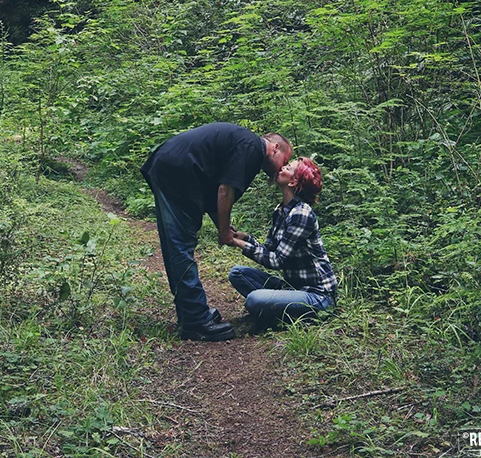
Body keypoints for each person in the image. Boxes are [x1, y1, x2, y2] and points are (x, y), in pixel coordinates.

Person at [141, 122, 292, 341]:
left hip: (173, 167)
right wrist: (223, 233)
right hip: (177, 171)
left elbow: (215, 191)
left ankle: (190, 314)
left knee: (179, 246)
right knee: (180, 246)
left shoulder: (246, 145)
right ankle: (196, 321)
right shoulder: (251, 147)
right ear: (275, 148)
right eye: (285, 161)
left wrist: (224, 227)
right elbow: (225, 190)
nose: (281, 168)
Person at [228, 157, 337, 326]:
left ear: (294, 181)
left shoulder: (301, 213)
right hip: (292, 288)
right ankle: (282, 311)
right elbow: (269, 249)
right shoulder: (280, 211)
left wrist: (237, 243)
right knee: (237, 273)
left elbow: (276, 261)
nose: (281, 168)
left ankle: (287, 317)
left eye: (288, 167)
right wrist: (245, 238)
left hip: (318, 296)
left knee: (255, 299)